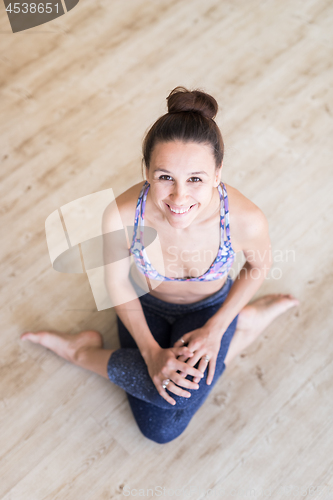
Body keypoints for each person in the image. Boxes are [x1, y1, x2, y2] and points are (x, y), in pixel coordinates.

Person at [21, 86, 299, 444]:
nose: (179, 197)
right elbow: (118, 284)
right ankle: (83, 350)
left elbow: (258, 267)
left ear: (218, 173)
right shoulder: (121, 214)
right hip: (146, 306)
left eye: (196, 179)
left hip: (210, 308)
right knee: (160, 422)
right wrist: (151, 353)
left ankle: (238, 324)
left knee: (164, 425)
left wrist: (216, 329)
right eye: (165, 176)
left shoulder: (245, 219)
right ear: (147, 170)